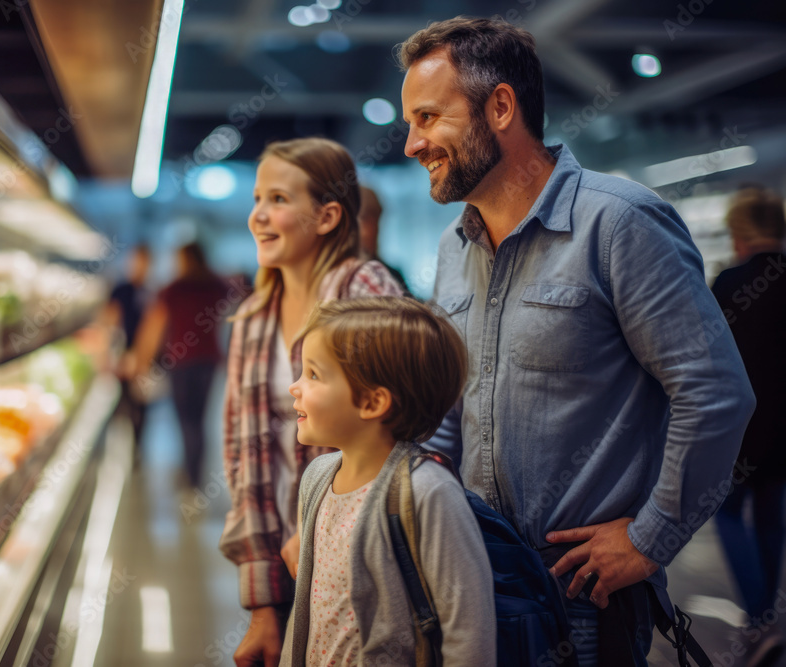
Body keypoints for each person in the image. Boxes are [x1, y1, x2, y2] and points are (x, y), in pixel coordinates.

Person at [398, 17, 755, 665]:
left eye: (427, 117)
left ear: (500, 106)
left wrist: (650, 538)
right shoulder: (455, 248)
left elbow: (715, 392)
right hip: (476, 588)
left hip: (583, 604)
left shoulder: (619, 223)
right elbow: (452, 411)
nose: (410, 143)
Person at [220, 137, 404, 667]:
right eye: (257, 199)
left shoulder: (365, 290)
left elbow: (404, 435)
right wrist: (262, 604)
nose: (258, 215)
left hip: (363, 565)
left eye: (278, 199)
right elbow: (243, 459)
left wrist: (325, 529)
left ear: (326, 216)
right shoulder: (253, 316)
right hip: (285, 564)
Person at [278, 297, 495, 666]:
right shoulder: (316, 478)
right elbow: (305, 611)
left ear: (372, 402)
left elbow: (469, 630)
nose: (294, 387)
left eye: (313, 374)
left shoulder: (427, 492)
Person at [711, 186, 786, 667]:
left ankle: (760, 617)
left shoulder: (727, 283)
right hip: (785, 428)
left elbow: (709, 362)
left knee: (726, 512)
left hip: (740, 426)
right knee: (771, 514)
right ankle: (767, 614)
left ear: (739, 234)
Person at [123, 242, 228, 489]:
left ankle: (190, 471)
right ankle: (195, 471)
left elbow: (154, 328)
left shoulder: (173, 289)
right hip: (209, 361)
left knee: (185, 419)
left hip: (181, 362)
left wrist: (141, 360)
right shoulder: (215, 286)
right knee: (200, 419)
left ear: (186, 260)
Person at [110, 244, 152, 444]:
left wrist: (142, 358)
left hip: (143, 361)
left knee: (140, 410)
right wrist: (112, 356)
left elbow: (154, 330)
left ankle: (136, 451)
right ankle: (120, 450)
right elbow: (109, 322)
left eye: (144, 262)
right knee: (119, 409)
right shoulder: (121, 290)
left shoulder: (150, 292)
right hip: (122, 358)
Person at [358, 186, 409, 293]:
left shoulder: (392, 275)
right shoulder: (336, 276)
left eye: (376, 220)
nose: (371, 231)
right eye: (364, 219)